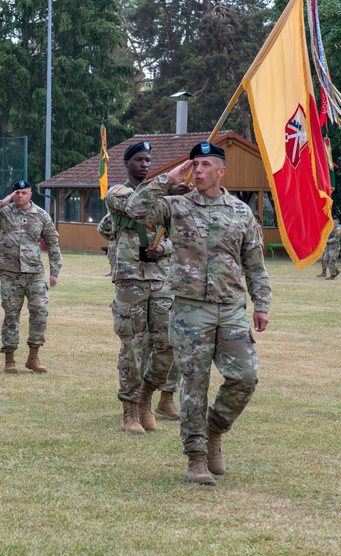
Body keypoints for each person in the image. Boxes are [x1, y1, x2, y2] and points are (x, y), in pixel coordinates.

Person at [126, 141, 271, 486]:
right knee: (194, 383)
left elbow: (255, 264)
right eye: (195, 164)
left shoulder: (240, 212)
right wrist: (168, 177)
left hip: (232, 309)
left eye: (207, 164)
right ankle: (196, 458)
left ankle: (214, 431)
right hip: (190, 310)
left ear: (222, 171)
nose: (200, 170)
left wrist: (261, 304)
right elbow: (133, 208)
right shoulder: (174, 206)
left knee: (245, 377)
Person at [102, 141, 184, 434]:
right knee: (133, 346)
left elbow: (179, 237)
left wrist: (161, 248)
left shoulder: (163, 200)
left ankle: (148, 396)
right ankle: (130, 411)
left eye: (149, 160)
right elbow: (136, 208)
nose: (145, 164)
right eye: (139, 159)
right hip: (130, 279)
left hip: (161, 279)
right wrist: (165, 182)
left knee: (168, 343)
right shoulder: (116, 193)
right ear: (127, 163)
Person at [0, 179, 62, 374]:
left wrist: (54, 270)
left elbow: (52, 242)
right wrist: (1, 203)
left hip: (34, 272)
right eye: (17, 193)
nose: (20, 196)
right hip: (10, 273)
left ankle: (33, 356)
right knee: (11, 315)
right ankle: (10, 358)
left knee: (40, 312)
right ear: (13, 194)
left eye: (24, 193)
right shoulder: (3, 212)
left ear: (30, 194)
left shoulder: (41, 215)